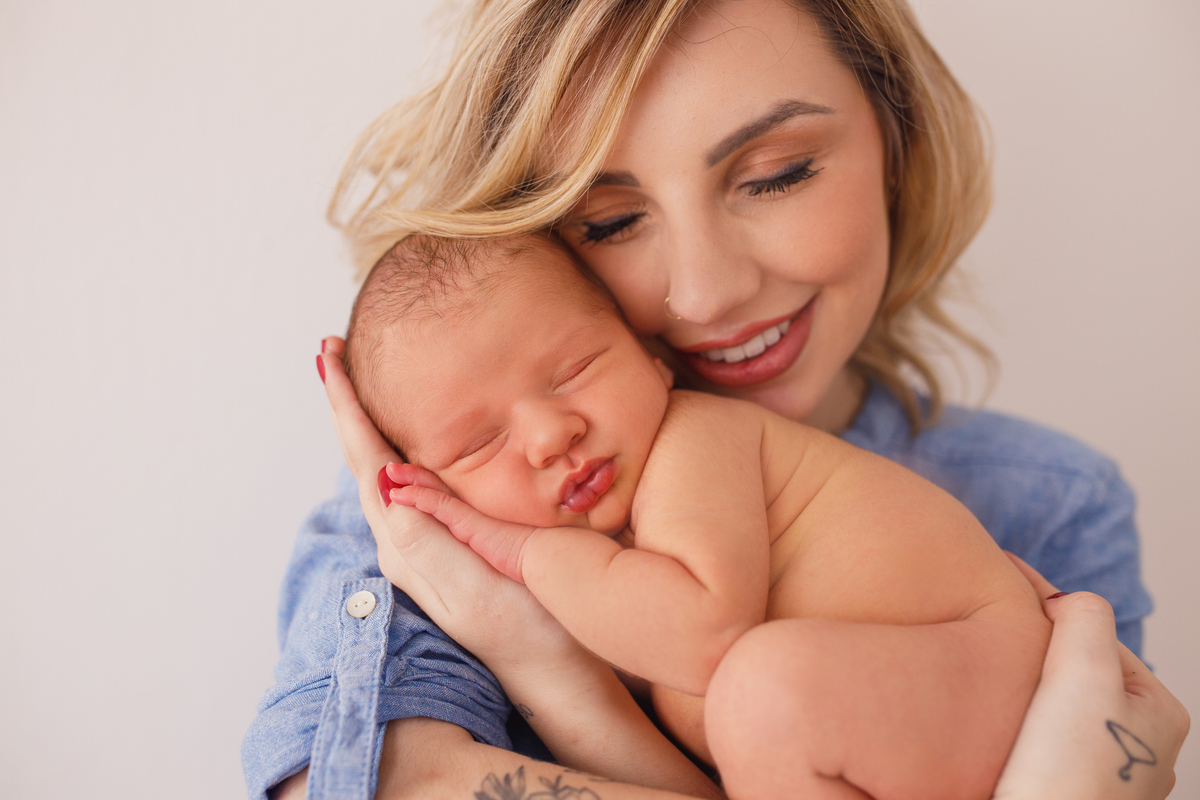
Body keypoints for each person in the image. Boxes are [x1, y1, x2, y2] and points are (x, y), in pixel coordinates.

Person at [243, 0, 1189, 798]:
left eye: (775, 174)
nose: (704, 294)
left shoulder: (1051, 499)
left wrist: (538, 606)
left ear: (894, 141)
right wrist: (550, 666)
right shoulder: (433, 504)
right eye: (610, 220)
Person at [343, 229, 1051, 799]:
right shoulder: (601, 581)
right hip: (910, 733)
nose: (548, 434)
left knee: (759, 689)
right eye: (481, 442)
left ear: (653, 359)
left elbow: (706, 636)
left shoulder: (696, 441)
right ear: (431, 488)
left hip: (993, 674)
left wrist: (526, 553)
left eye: (575, 370)